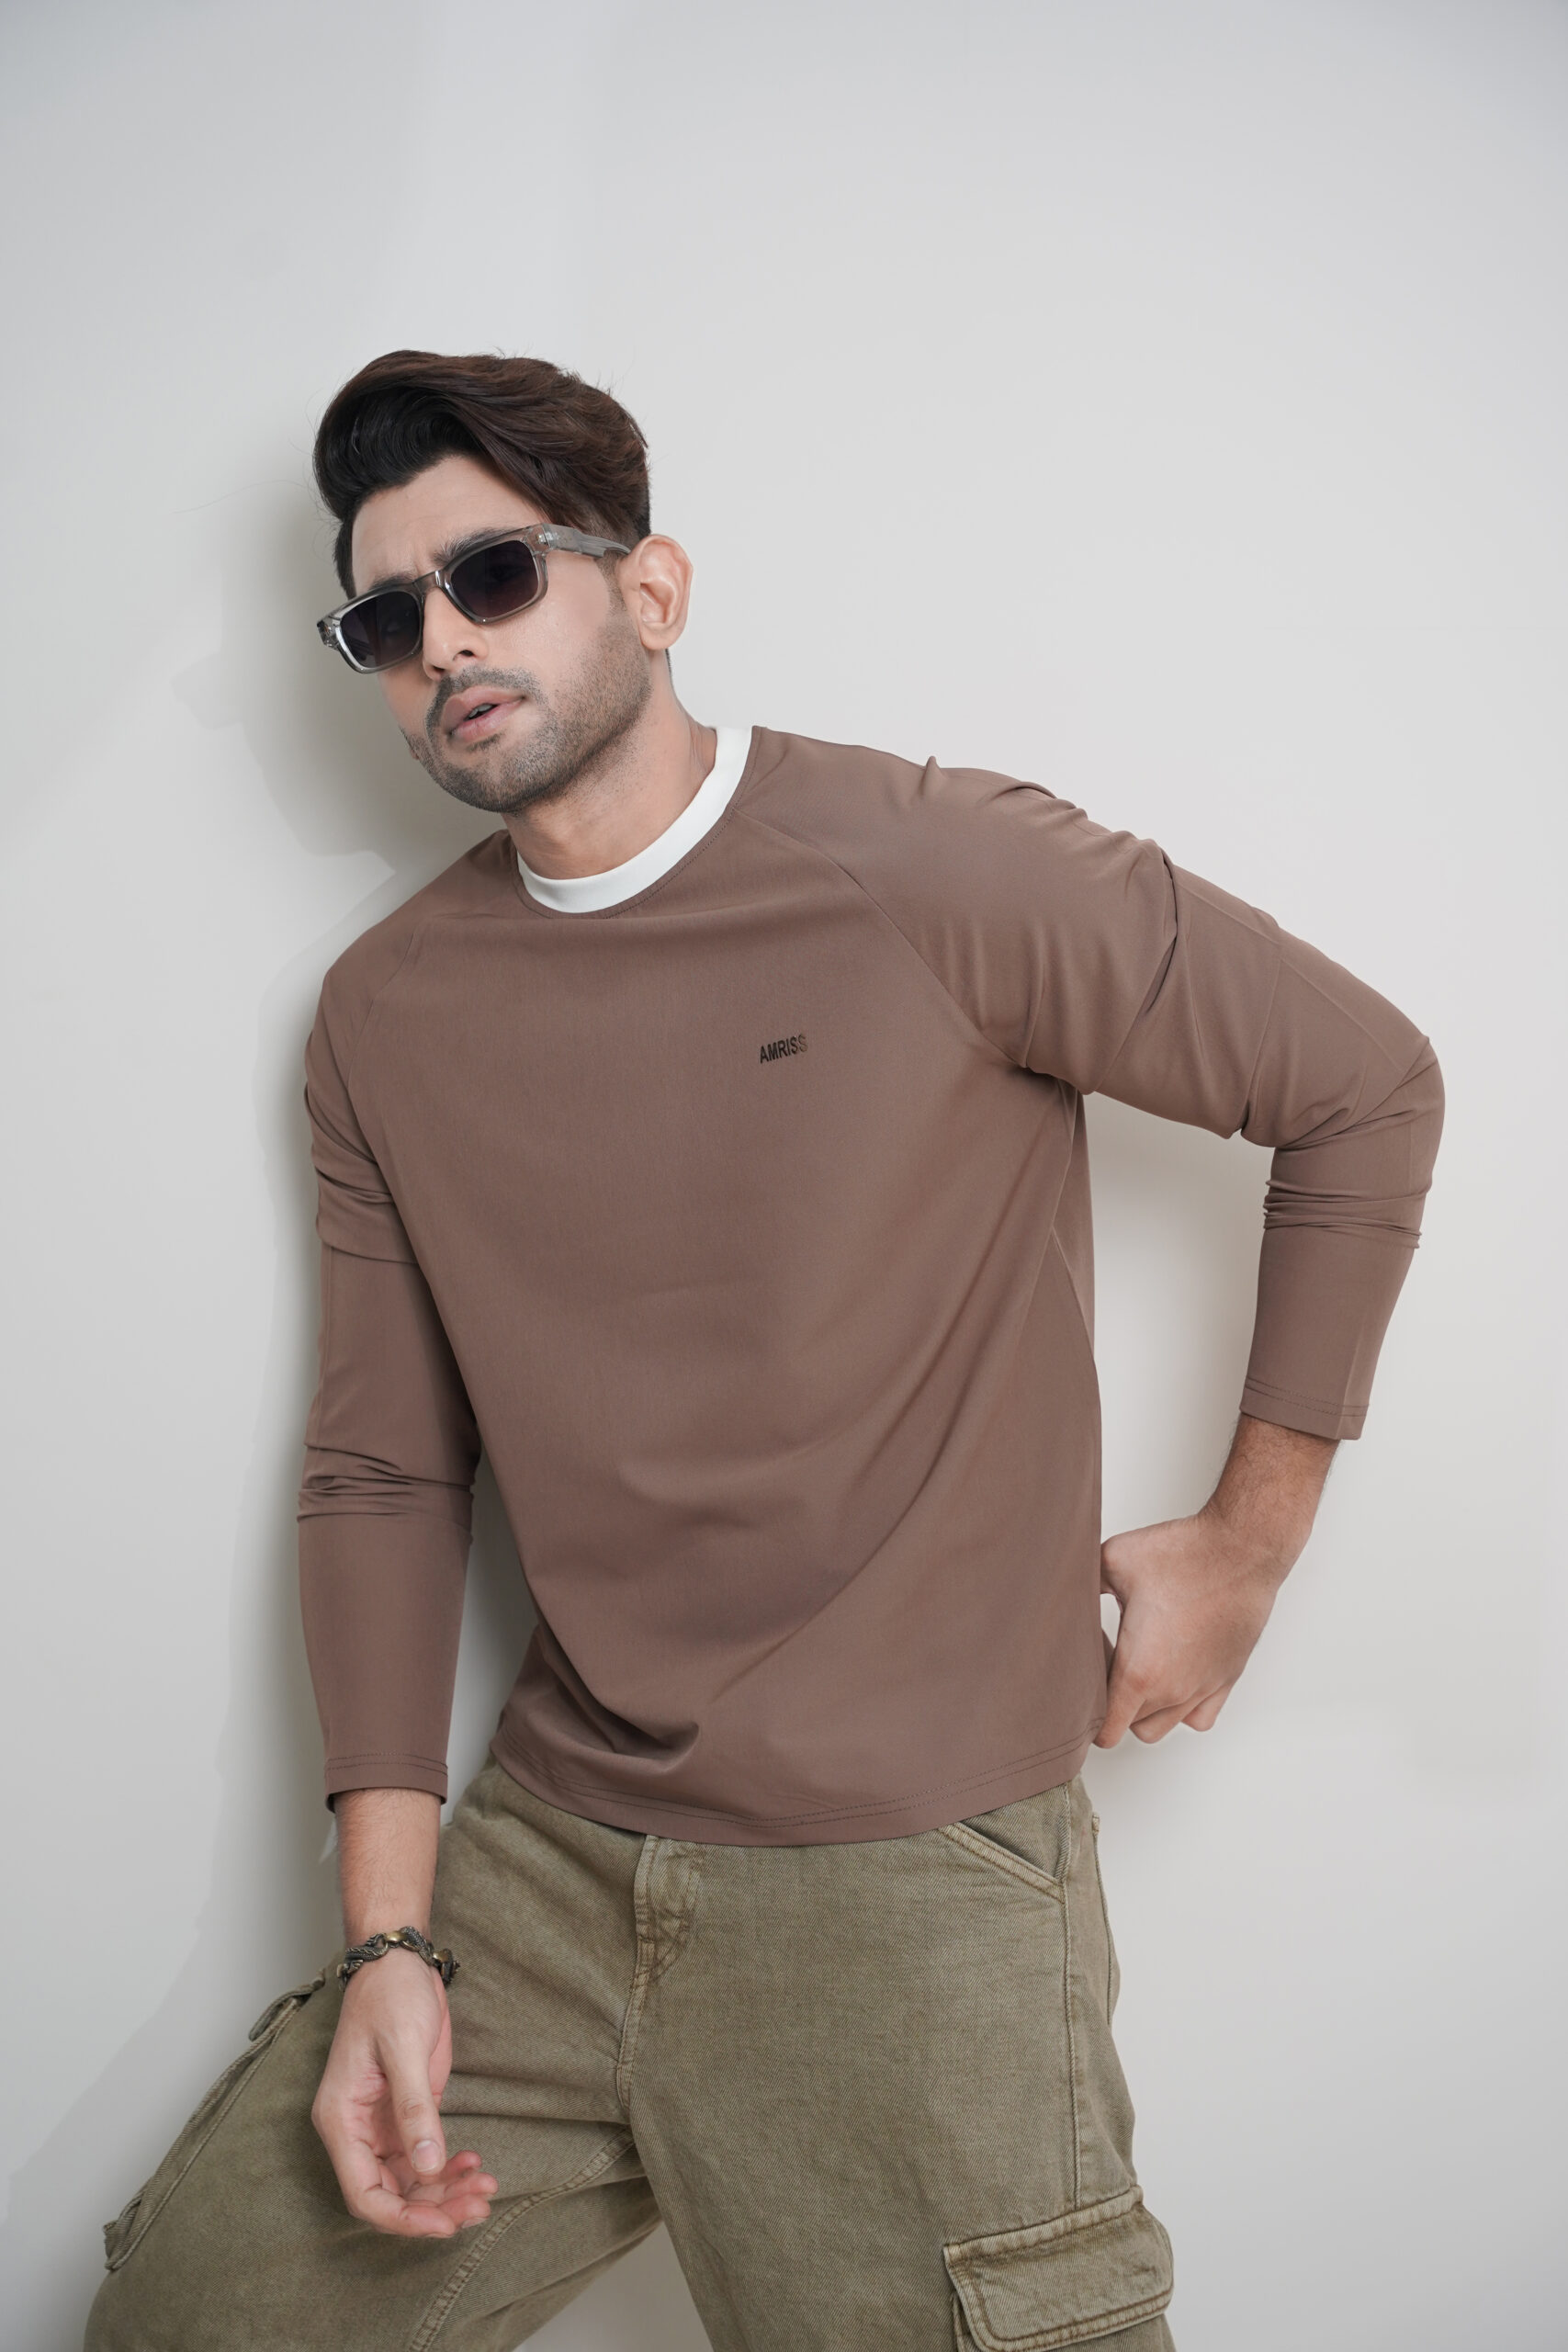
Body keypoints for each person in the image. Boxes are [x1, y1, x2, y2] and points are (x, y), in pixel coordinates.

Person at [85, 348, 1442, 2352]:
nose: (441, 641)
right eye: (385, 619)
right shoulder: (384, 1013)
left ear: (651, 588)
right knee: (196, 2311)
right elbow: (385, 1467)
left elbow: (1362, 1084)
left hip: (908, 1878)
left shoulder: (936, 870)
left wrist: (1249, 1539)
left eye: (493, 573)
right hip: (548, 1858)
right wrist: (387, 1940)